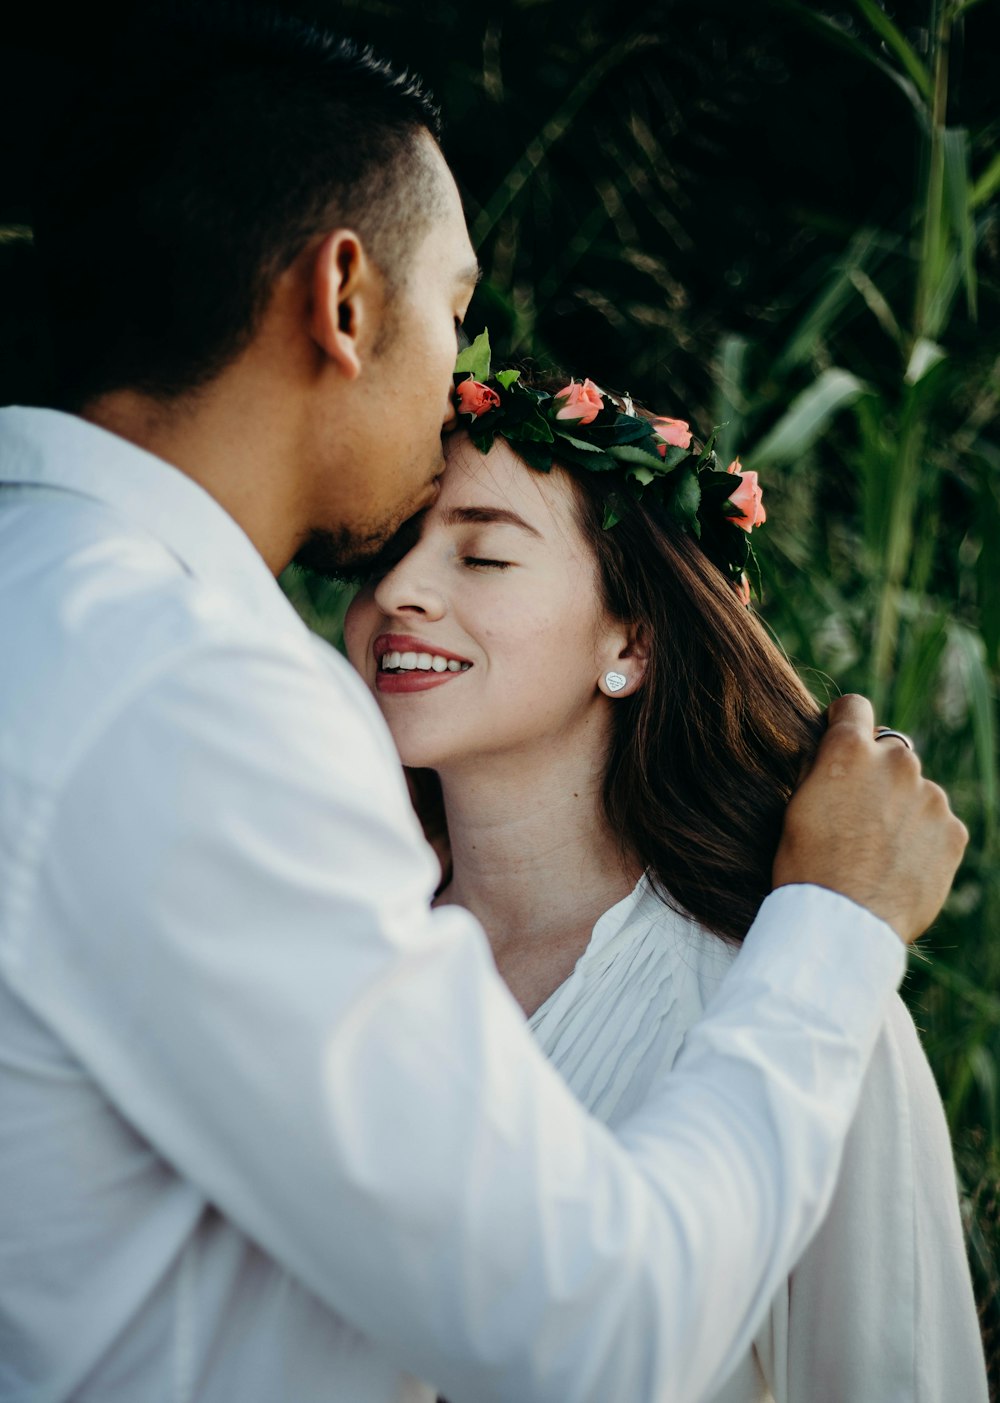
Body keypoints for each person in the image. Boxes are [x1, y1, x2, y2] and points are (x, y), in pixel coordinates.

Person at [0, 8, 969, 1402]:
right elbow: (592, 1331)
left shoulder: (61, 619)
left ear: (631, 639)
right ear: (342, 300)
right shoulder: (201, 702)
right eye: (454, 305)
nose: (458, 365)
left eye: (489, 548)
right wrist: (832, 934)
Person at [344, 359, 989, 1399]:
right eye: (388, 549)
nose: (399, 591)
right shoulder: (322, 946)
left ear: (631, 640)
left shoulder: (799, 995)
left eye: (485, 556)